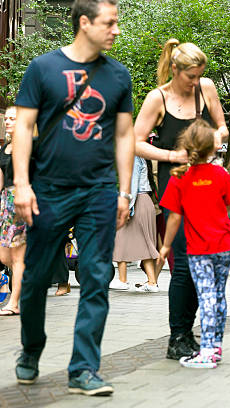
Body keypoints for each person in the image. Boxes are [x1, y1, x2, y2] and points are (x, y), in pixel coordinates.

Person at [12, 0, 134, 395]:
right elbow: (23, 127)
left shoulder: (118, 75)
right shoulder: (42, 68)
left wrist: (124, 190)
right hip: (48, 188)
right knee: (34, 277)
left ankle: (84, 369)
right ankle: (31, 350)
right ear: (85, 23)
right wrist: (22, 184)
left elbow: (123, 137)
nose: (116, 29)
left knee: (97, 276)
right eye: (109, 22)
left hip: (99, 190)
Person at [134, 39, 228, 360]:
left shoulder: (207, 88)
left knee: (203, 266)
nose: (194, 83)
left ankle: (186, 332)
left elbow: (223, 126)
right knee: (185, 266)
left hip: (206, 187)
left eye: (199, 76)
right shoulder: (157, 98)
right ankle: (178, 335)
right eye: (190, 77)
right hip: (177, 188)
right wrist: (172, 154)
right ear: (175, 69)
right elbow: (135, 142)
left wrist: (218, 136)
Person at [158, 119, 230, 368]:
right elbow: (228, 204)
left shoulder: (179, 177)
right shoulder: (221, 174)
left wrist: (165, 246)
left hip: (199, 249)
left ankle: (207, 352)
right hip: (224, 244)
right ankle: (216, 347)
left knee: (206, 298)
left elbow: (174, 218)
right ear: (211, 148)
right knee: (218, 297)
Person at [110, 156, 160, 292]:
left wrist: (127, 207)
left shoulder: (134, 158)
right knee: (145, 242)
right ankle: (151, 282)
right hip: (143, 201)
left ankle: (123, 280)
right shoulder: (140, 158)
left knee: (121, 237)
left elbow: (133, 184)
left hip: (137, 201)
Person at [0, 106, 27, 316]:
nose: (7, 122)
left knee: (17, 258)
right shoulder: (5, 148)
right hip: (5, 203)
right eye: (6, 118)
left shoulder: (28, 145)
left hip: (21, 202)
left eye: (12, 118)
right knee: (4, 256)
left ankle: (14, 302)